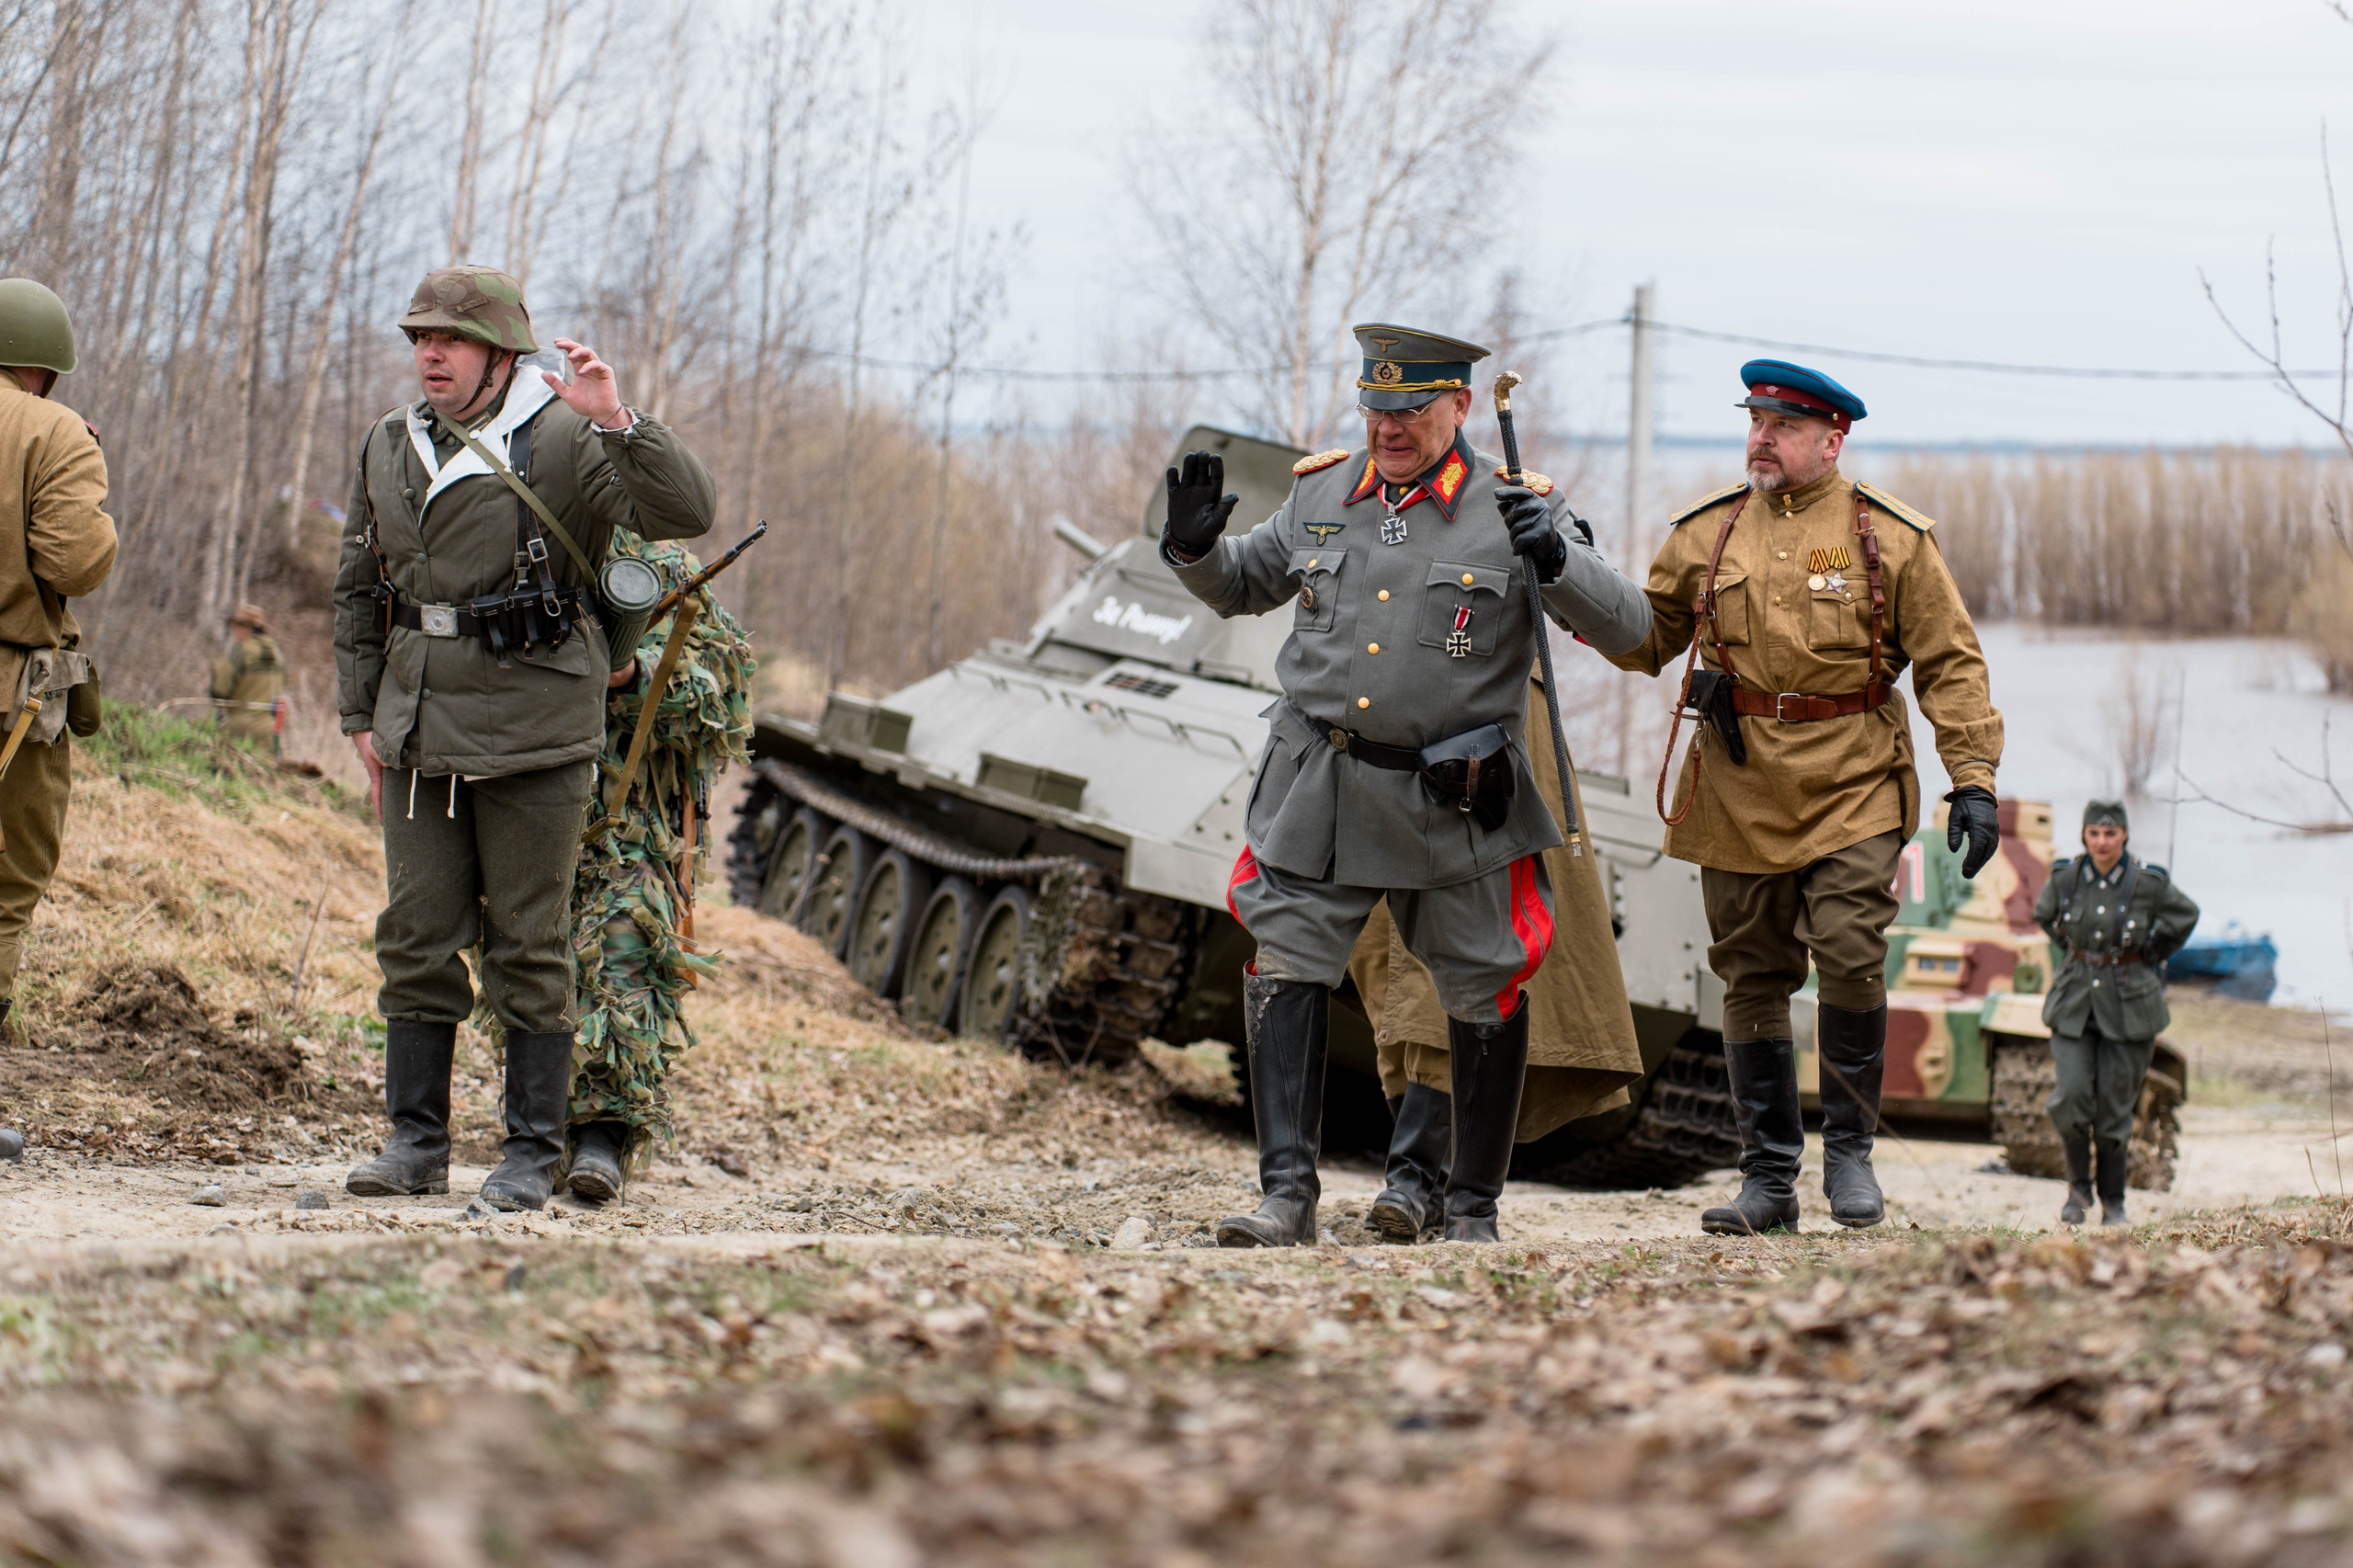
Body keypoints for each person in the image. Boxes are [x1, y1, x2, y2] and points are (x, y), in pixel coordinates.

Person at [1163, 322, 1651, 1245]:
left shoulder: (1514, 511)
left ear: (1459, 408)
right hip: (1320, 786)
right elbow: (1242, 585)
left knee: (1483, 985)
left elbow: (1628, 628)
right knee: (1287, 963)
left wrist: (1555, 556)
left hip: (1451, 801)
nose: (1388, 426)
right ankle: (1285, 1198)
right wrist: (1192, 553)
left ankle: (1470, 1206)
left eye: (1410, 408)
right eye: (1374, 405)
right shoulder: (1321, 493)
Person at [335, 266, 715, 1211]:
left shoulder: (562, 441)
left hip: (537, 727)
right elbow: (357, 585)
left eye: (451, 340)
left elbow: (683, 512)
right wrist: (359, 711)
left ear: (501, 356)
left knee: (529, 943)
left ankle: (529, 1152)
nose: (430, 352)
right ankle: (414, 1143)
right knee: (416, 935)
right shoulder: (389, 442)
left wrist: (617, 419)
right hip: (418, 720)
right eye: (420, 336)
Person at [1607, 360, 2005, 1236]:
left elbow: (1950, 661)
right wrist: (1568, 571)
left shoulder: (1890, 538)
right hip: (1737, 782)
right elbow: (1645, 636)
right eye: (1754, 421)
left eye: (1782, 427)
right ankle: (1768, 1180)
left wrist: (1972, 779)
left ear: (1832, 439)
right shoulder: (1708, 532)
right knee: (1750, 973)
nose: (1761, 438)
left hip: (1852, 776)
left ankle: (1851, 1154)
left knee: (1852, 945)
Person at [1350, 670, 1644, 1241]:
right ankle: (1428, 1186)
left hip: (1487, 712)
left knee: (1468, 942)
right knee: (1378, 950)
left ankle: (1418, 1177)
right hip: (1380, 691)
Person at [527, 533, 754, 1204]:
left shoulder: (666, 570)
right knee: (533, 967)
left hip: (636, 825)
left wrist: (635, 672)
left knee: (625, 954)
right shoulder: (523, 546)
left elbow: (721, 697)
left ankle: (605, 1135)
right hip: (530, 808)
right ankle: (536, 1131)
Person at [0, 278, 119, 1168]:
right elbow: (75, 562)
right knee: (7, 886)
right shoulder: (53, 433)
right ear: (44, 363)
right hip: (11, 693)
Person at [2033, 799, 2198, 1227]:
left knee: (2114, 1111)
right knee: (2069, 1097)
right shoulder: (2067, 877)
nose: (2102, 842)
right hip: (2074, 1004)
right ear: (2084, 835)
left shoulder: (2147, 882)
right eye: (2094, 834)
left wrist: (2153, 953)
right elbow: (2045, 915)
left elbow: (2186, 916)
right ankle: (2077, 1190)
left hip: (2129, 1005)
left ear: (2123, 836)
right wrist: (2078, 954)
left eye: (2110, 834)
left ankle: (2114, 1202)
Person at [210, 603, 286, 753]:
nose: (235, 630)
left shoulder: (240, 652)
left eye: (238, 626)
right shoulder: (277, 653)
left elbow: (220, 691)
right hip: (269, 728)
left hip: (239, 726)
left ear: (247, 628)